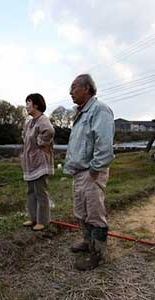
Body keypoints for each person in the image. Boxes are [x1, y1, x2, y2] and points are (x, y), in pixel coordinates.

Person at [63, 74, 115, 270]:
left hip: (92, 171)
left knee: (94, 213)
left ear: (86, 88)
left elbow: (104, 143)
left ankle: (98, 255)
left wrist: (95, 168)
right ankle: (88, 241)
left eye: (74, 87)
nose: (70, 92)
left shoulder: (99, 110)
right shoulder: (81, 113)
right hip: (79, 171)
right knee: (81, 212)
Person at [21, 93, 55, 231]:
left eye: (28, 103)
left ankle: (43, 220)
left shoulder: (43, 120)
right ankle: (33, 218)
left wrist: (41, 143)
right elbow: (24, 135)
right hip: (30, 162)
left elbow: (49, 131)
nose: (26, 106)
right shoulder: (28, 122)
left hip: (40, 161)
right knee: (30, 191)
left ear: (36, 104)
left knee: (40, 191)